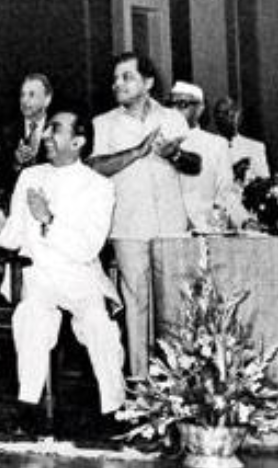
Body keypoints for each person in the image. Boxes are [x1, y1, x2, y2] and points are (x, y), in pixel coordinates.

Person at [0, 111, 125, 432]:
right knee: (30, 317)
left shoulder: (99, 187)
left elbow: (88, 247)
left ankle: (113, 411)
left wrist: (49, 220)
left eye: (54, 130)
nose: (45, 135)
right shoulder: (29, 177)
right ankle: (28, 408)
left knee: (101, 328)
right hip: (40, 274)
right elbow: (16, 236)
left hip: (81, 276)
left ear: (78, 141)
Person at [89, 52, 199, 379]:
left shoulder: (172, 118)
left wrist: (174, 153)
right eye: (116, 78)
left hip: (171, 226)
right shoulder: (104, 123)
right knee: (136, 303)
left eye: (127, 77)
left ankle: (176, 382)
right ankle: (140, 383)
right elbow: (95, 167)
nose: (118, 84)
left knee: (175, 301)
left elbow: (195, 165)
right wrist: (136, 153)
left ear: (147, 83)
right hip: (128, 226)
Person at [169, 82, 246, 230]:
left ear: (199, 109)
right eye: (170, 104)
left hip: (205, 230)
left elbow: (226, 194)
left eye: (182, 104)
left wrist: (244, 221)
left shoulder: (216, 145)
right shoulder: (157, 143)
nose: (173, 110)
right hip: (166, 232)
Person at [0, 74, 53, 207]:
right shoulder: (6, 132)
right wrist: (16, 163)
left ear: (47, 99)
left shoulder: (57, 130)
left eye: (31, 95)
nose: (24, 101)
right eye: (22, 95)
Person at [211, 96, 270, 187]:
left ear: (239, 115)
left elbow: (264, 180)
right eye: (225, 113)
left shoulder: (255, 147)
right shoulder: (208, 148)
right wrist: (233, 172)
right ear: (215, 118)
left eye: (233, 112)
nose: (231, 116)